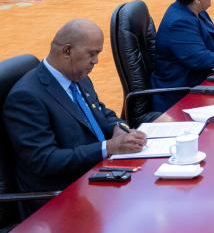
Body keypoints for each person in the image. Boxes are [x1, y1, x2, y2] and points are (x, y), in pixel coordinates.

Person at [3, 20, 147, 203]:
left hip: (99, 175)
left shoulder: (78, 77)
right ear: (67, 51)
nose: (96, 61)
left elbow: (102, 113)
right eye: (92, 54)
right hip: (62, 197)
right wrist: (109, 147)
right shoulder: (26, 97)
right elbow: (45, 161)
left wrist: (120, 127)